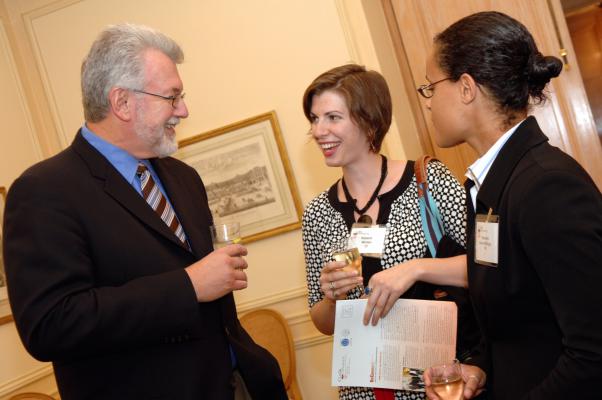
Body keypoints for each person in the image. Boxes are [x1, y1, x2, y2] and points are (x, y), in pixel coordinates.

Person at [3, 23, 286, 400]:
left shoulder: (183, 177)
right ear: (122, 103)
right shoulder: (44, 191)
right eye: (172, 97)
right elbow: (52, 325)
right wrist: (188, 286)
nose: (183, 110)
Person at [418, 11, 602, 400]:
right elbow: (520, 322)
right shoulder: (492, 184)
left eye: (430, 87)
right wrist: (482, 368)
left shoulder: (547, 186)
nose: (428, 104)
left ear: (466, 88)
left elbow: (593, 354)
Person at [301, 64, 475, 400]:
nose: (319, 130)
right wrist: (331, 297)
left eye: (333, 117)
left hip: (435, 384)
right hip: (362, 388)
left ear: (369, 120)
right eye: (314, 118)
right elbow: (324, 323)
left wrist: (415, 269)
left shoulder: (429, 181)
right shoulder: (317, 214)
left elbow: (486, 269)